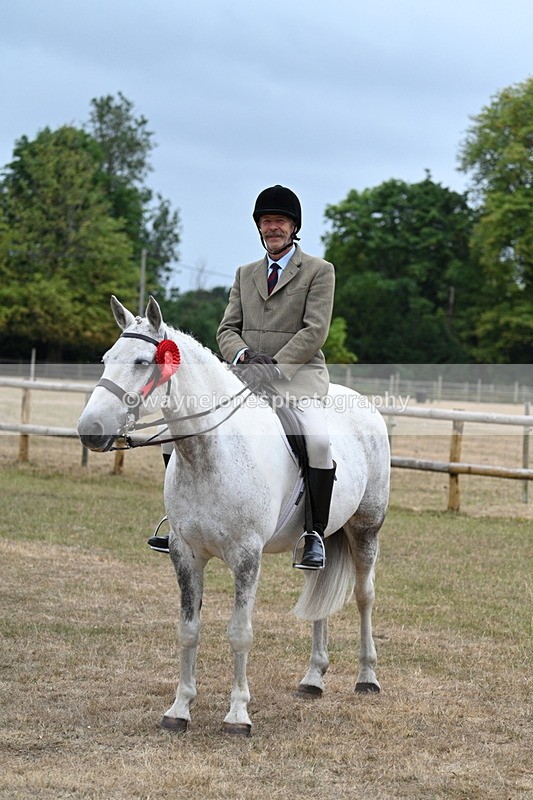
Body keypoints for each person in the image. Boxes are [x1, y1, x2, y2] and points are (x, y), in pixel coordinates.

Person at [148, 184, 336, 570]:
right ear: (259, 227)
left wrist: (276, 366)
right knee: (175, 434)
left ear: (293, 226)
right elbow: (226, 328)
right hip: (244, 376)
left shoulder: (319, 271)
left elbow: (315, 330)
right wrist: (244, 355)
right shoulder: (244, 273)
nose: (273, 228)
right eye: (266, 221)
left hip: (295, 376)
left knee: (316, 440)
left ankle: (313, 533)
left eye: (279, 221)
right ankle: (179, 521)